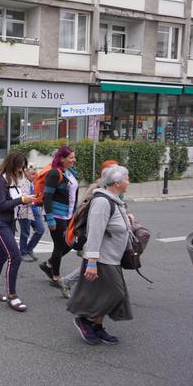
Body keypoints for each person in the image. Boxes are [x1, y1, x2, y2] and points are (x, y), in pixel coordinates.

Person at [67, 165, 133, 345]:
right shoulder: (102, 202)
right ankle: (84, 320)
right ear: (117, 182)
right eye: (127, 179)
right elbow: (95, 232)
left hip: (112, 257)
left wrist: (127, 220)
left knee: (103, 294)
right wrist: (92, 262)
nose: (129, 182)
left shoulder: (114, 200)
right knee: (115, 294)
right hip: (102, 258)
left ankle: (97, 327)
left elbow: (113, 224)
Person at [60, 160, 121, 296]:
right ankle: (86, 293)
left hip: (108, 231)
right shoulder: (97, 187)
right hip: (96, 231)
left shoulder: (115, 186)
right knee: (95, 262)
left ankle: (68, 282)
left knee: (95, 263)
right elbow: (83, 207)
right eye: (116, 169)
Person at [0, 152, 35, 311]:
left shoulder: (11, 178)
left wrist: (26, 200)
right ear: (12, 165)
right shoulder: (0, 180)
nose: (22, 170)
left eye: (23, 167)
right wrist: (21, 200)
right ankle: (12, 296)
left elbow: (13, 202)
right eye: (20, 167)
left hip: (8, 222)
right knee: (15, 256)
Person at [38, 146, 78, 295]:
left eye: (74, 157)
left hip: (69, 215)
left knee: (71, 243)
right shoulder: (54, 173)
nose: (74, 160)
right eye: (71, 157)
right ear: (62, 158)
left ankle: (49, 264)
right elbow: (47, 197)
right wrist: (50, 219)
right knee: (60, 245)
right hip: (57, 215)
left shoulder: (69, 172)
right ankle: (56, 277)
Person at [18, 164, 44, 263]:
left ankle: (29, 249)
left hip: (34, 208)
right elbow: (23, 198)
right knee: (25, 232)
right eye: (33, 174)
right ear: (26, 173)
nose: (35, 176)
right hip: (24, 209)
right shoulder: (22, 182)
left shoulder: (33, 181)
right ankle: (23, 253)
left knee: (40, 230)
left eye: (35, 174)